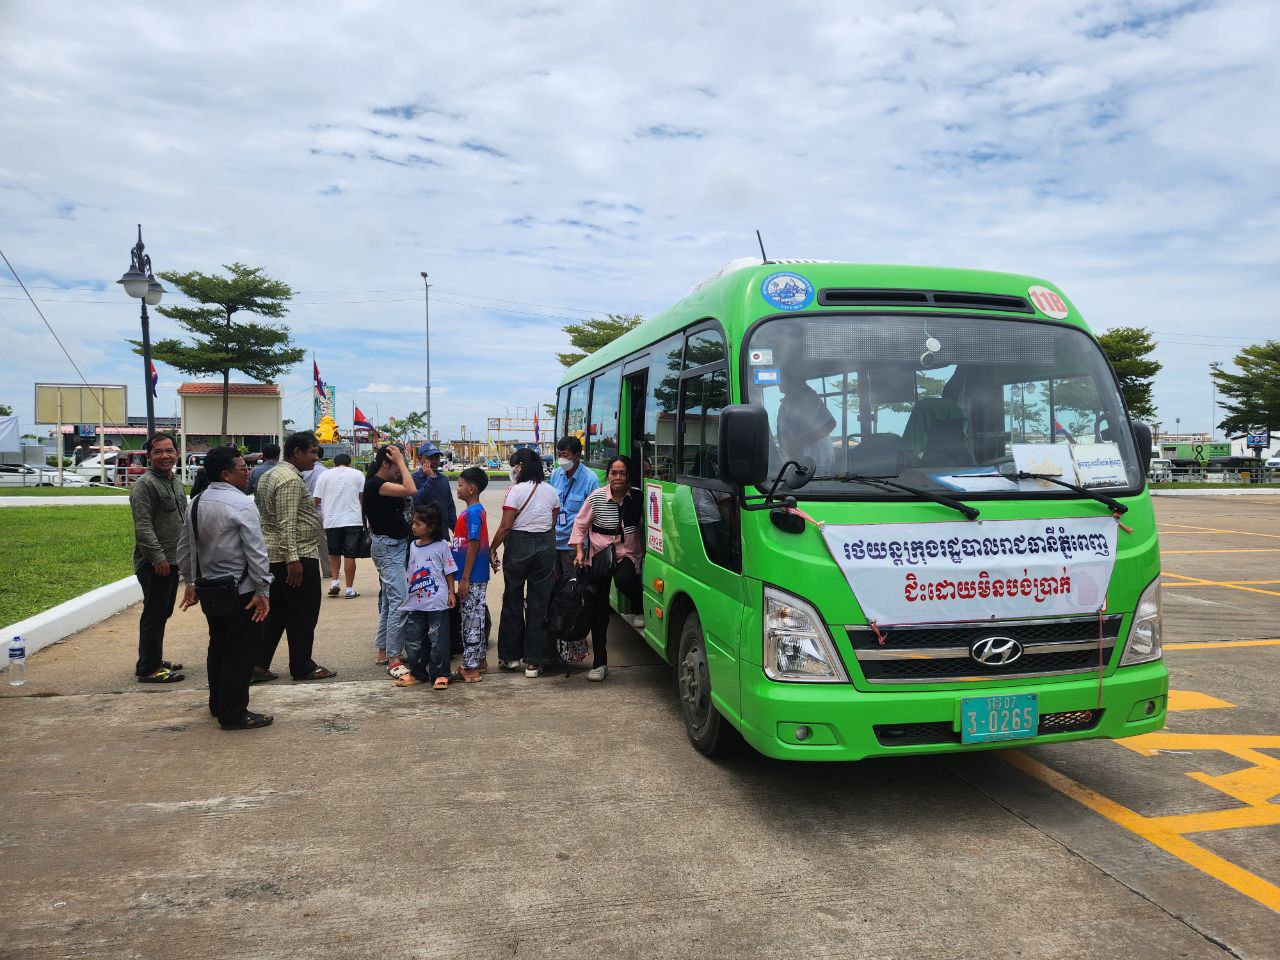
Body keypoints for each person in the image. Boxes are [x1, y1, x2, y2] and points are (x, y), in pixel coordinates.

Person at [176, 445, 274, 730]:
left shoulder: (196, 502)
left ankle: (219, 703)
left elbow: (185, 547)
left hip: (210, 589)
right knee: (240, 652)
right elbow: (256, 552)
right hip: (241, 591)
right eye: (243, 468)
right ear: (226, 474)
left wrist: (190, 581)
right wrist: (262, 590)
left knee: (218, 645)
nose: (248, 473)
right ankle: (234, 713)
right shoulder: (242, 504)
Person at [254, 431, 337, 682]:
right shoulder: (289, 480)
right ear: (297, 452)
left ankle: (258, 664)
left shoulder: (270, 474)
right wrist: (293, 560)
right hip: (297, 556)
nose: (316, 457)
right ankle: (302, 666)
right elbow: (286, 522)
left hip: (275, 555)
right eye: (313, 452)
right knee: (303, 613)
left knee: (277, 612)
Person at [571, 455, 644, 682]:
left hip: (627, 554)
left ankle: (638, 608)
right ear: (608, 475)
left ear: (629, 475)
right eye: (614, 473)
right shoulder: (596, 498)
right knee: (599, 613)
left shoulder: (638, 497)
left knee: (625, 580)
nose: (618, 477)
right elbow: (580, 526)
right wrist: (580, 552)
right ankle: (600, 664)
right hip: (600, 557)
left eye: (623, 473)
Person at [490, 447, 560, 677]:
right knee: (540, 602)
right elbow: (552, 523)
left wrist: (492, 548)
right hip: (545, 546)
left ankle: (511, 657)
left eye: (514, 466)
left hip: (518, 545)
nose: (513, 470)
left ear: (520, 467)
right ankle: (534, 662)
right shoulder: (551, 491)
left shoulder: (515, 490)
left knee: (513, 598)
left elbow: (505, 526)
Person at [129, 432, 189, 683]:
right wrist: (157, 558)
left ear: (177, 453)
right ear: (149, 456)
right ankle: (149, 669)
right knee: (154, 614)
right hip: (156, 563)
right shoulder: (144, 485)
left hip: (173, 559)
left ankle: (152, 658)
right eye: (158, 452)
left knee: (163, 612)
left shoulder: (174, 481)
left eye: (169, 451)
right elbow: (143, 526)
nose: (165, 456)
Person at [363, 443, 417, 674]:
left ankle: (383, 651)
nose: (399, 471)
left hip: (393, 546)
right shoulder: (377, 484)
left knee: (389, 601)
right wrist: (401, 462)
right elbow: (411, 489)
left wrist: (400, 463)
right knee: (400, 601)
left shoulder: (380, 484)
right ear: (386, 463)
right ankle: (394, 657)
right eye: (396, 465)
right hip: (388, 547)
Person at [394, 504, 458, 689]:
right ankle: (417, 673)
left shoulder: (442, 545)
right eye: (413, 523)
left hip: (437, 602)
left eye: (418, 524)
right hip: (415, 603)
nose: (413, 526)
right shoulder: (413, 546)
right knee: (413, 641)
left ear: (431, 527)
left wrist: (451, 592)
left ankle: (441, 674)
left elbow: (449, 570)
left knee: (438, 640)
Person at [451, 466, 491, 682]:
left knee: (471, 620)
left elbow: (473, 545)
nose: (458, 489)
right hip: (473, 575)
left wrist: (465, 578)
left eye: (460, 485)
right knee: (476, 617)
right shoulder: (473, 511)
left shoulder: (474, 512)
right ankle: (480, 660)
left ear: (472, 488)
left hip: (472, 577)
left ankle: (471, 667)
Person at [313, 452, 365, 598]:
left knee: (334, 552)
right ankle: (349, 589)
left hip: (331, 519)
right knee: (350, 554)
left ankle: (335, 582)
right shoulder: (358, 474)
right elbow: (362, 498)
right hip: (353, 519)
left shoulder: (324, 475)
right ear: (349, 463)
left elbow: (316, 500)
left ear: (334, 464)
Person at [549, 435, 599, 577]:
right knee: (554, 584)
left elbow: (594, 516)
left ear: (577, 456)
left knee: (572, 585)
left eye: (565, 455)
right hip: (554, 542)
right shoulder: (556, 474)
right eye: (559, 455)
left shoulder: (591, 480)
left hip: (575, 547)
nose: (561, 459)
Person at [777, 366, 837, 475]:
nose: (778, 382)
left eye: (781, 378)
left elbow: (830, 424)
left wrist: (800, 443)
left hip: (815, 462)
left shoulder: (807, 396)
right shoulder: (789, 399)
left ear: (791, 379)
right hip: (799, 461)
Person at [411, 441, 456, 534]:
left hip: (442, 533)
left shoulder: (443, 479)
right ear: (420, 459)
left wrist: (455, 528)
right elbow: (415, 501)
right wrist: (430, 479)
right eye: (430, 458)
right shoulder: (414, 479)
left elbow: (450, 505)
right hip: (423, 535)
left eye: (437, 457)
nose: (434, 461)